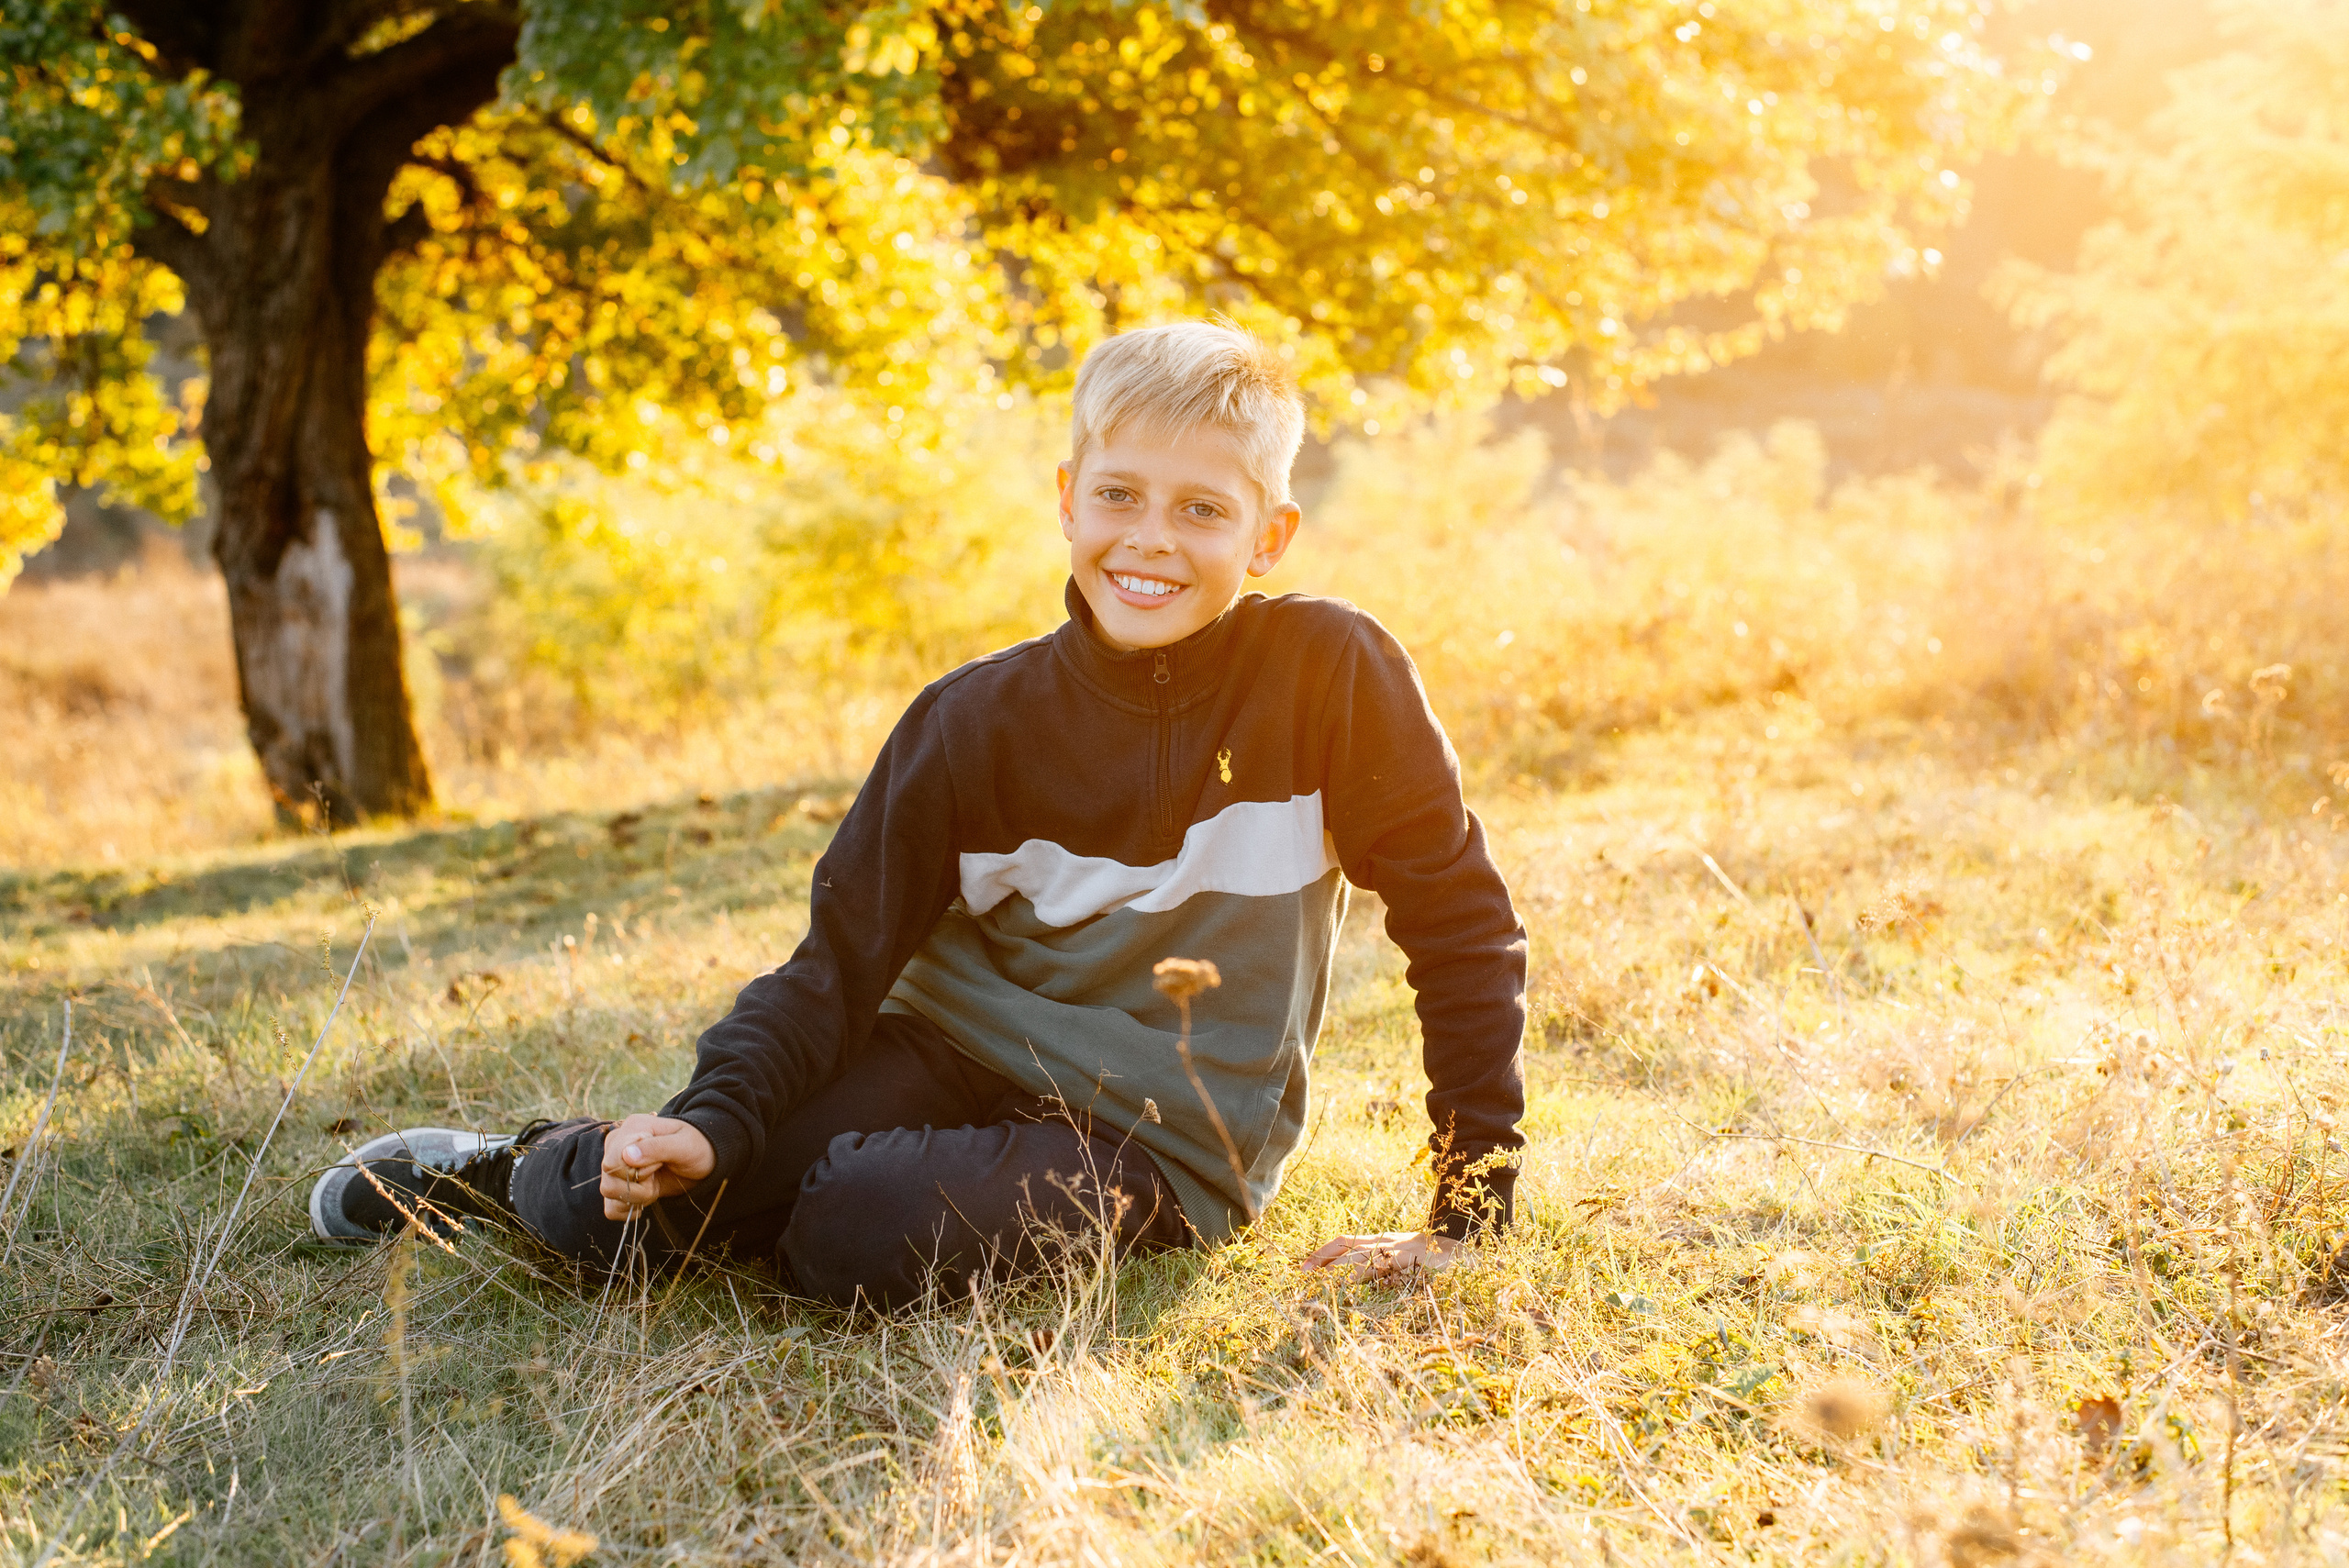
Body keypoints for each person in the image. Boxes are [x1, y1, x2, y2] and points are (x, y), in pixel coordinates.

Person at [309, 319, 1528, 1308]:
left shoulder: (1330, 675)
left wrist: (1467, 1219)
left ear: (1270, 533)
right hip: (949, 1049)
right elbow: (835, 967)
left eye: (1202, 510)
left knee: (859, 1225)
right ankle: (510, 1167)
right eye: (1120, 494)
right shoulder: (971, 719)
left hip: (1156, 1141)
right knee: (630, 1210)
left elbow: (1462, 926)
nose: (1151, 539)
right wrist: (718, 1121)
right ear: (1068, 500)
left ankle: (792, 1200)